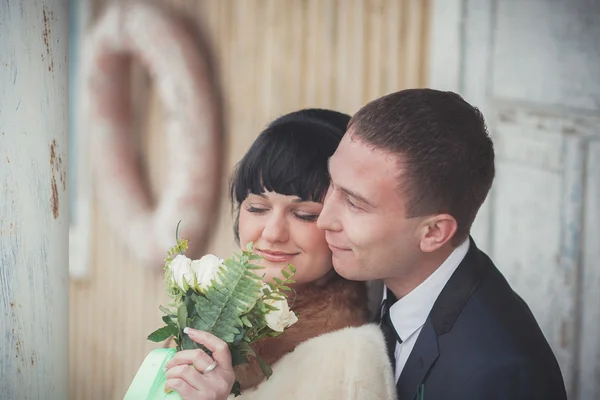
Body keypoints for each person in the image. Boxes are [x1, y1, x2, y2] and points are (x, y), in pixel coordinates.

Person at [317, 88, 568, 399]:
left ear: (434, 232)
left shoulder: (498, 375)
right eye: (332, 183)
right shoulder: (358, 277)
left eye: (354, 203)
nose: (323, 219)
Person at [163, 109, 396, 399]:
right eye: (257, 208)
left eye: (304, 214)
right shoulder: (207, 319)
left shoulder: (349, 359)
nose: (273, 233)